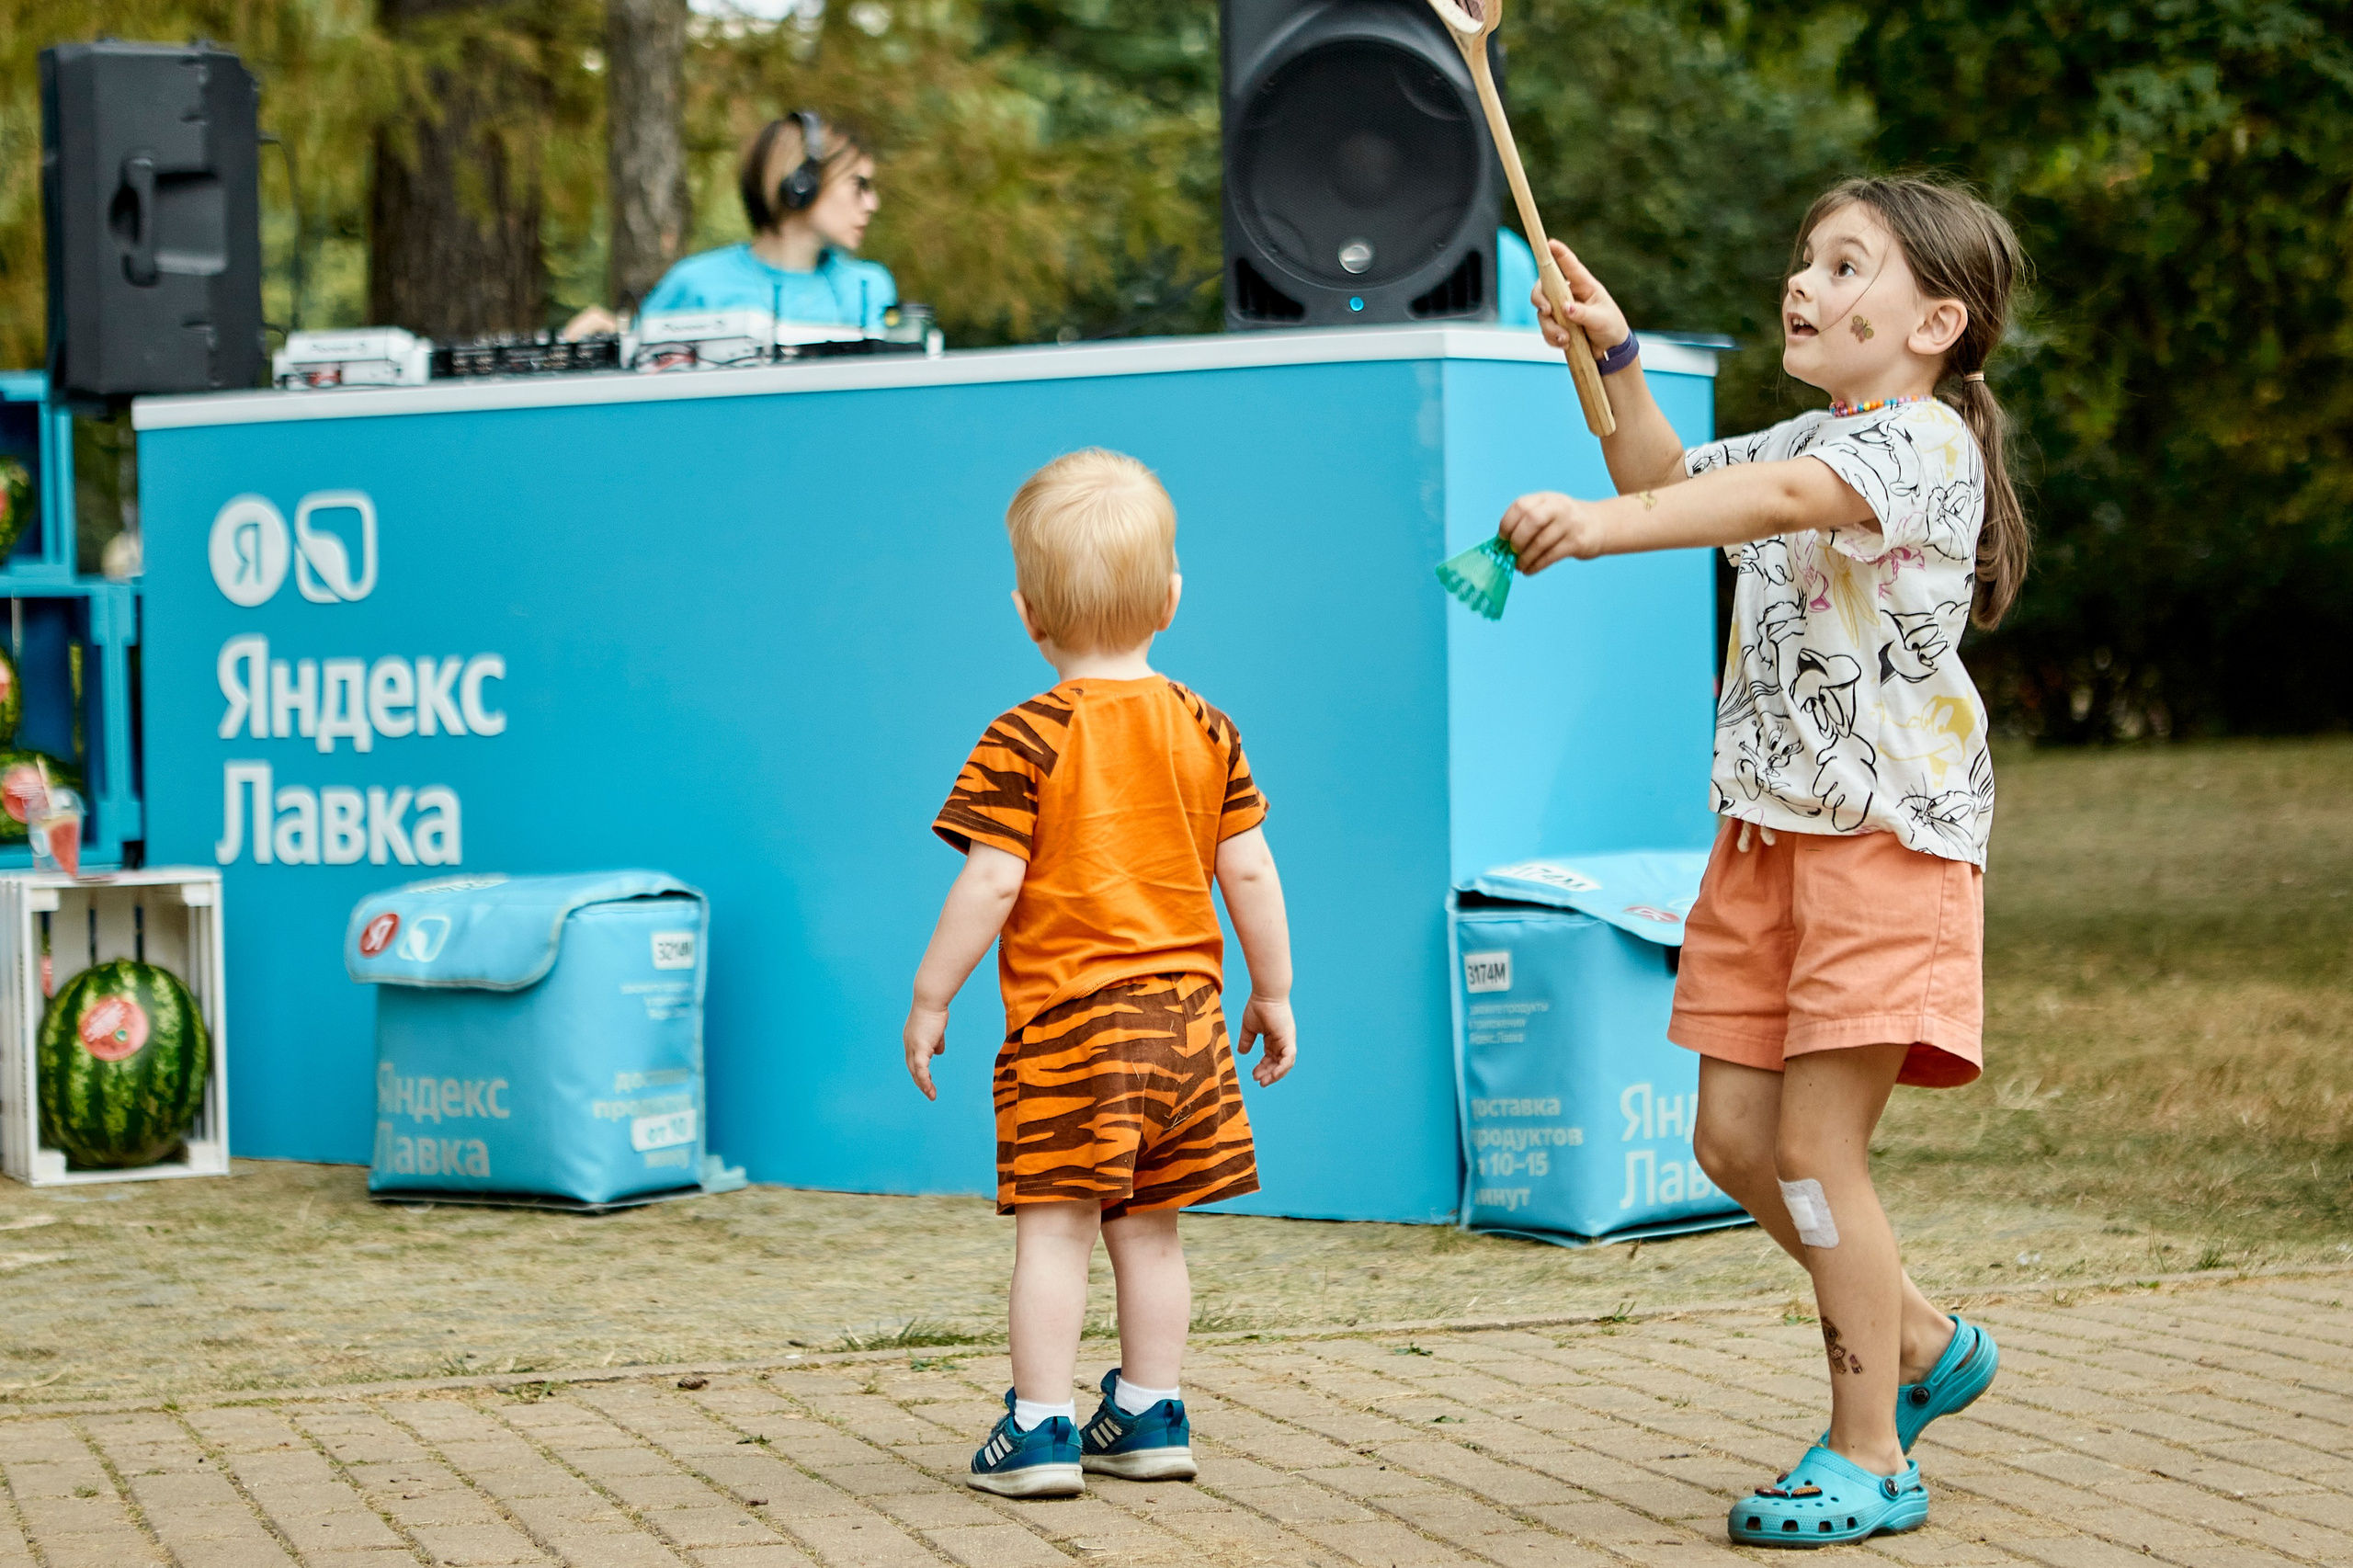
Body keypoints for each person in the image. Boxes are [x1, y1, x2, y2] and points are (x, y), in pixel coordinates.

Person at [1499, 175, 2023, 1549]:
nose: (1806, 282)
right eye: (1806, 258)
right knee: (1732, 1140)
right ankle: (1921, 1335)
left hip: (1882, 847)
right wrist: (1605, 353)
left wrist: (1599, 533)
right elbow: (1665, 479)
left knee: (1811, 1148)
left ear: (1936, 322)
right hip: (1766, 838)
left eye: (1848, 265)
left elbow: (1759, 501)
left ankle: (1871, 1451)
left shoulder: (1920, 446)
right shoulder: (1821, 426)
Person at [904, 449, 1299, 1500]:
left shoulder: (1024, 735)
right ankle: (1149, 1407)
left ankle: (1037, 1427)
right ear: (1170, 599)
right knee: (1153, 1233)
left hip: (1074, 1029)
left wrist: (932, 994)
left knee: (1056, 1228)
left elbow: (992, 884)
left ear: (1029, 615)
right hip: (1189, 1024)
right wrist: (1275, 989)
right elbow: (1248, 865)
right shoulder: (1207, 726)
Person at [571, 111, 895, 335]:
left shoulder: (869, 288)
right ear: (801, 184)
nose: (873, 204)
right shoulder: (695, 286)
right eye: (859, 186)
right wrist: (611, 340)